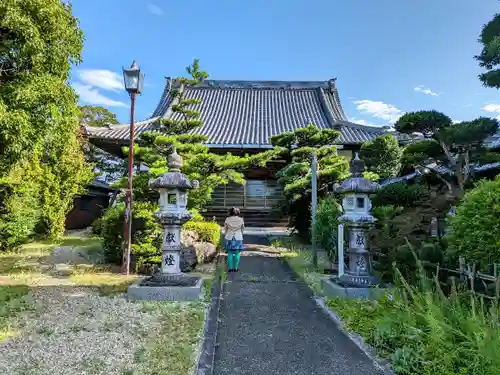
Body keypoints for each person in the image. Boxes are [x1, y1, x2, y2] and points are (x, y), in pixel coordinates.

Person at [224, 207, 244, 272]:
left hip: (229, 237)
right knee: (237, 252)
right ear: (238, 212)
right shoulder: (241, 219)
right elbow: (242, 229)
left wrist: (226, 235)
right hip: (238, 237)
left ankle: (230, 268)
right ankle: (235, 268)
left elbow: (225, 229)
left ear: (230, 212)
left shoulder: (227, 219)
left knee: (229, 253)